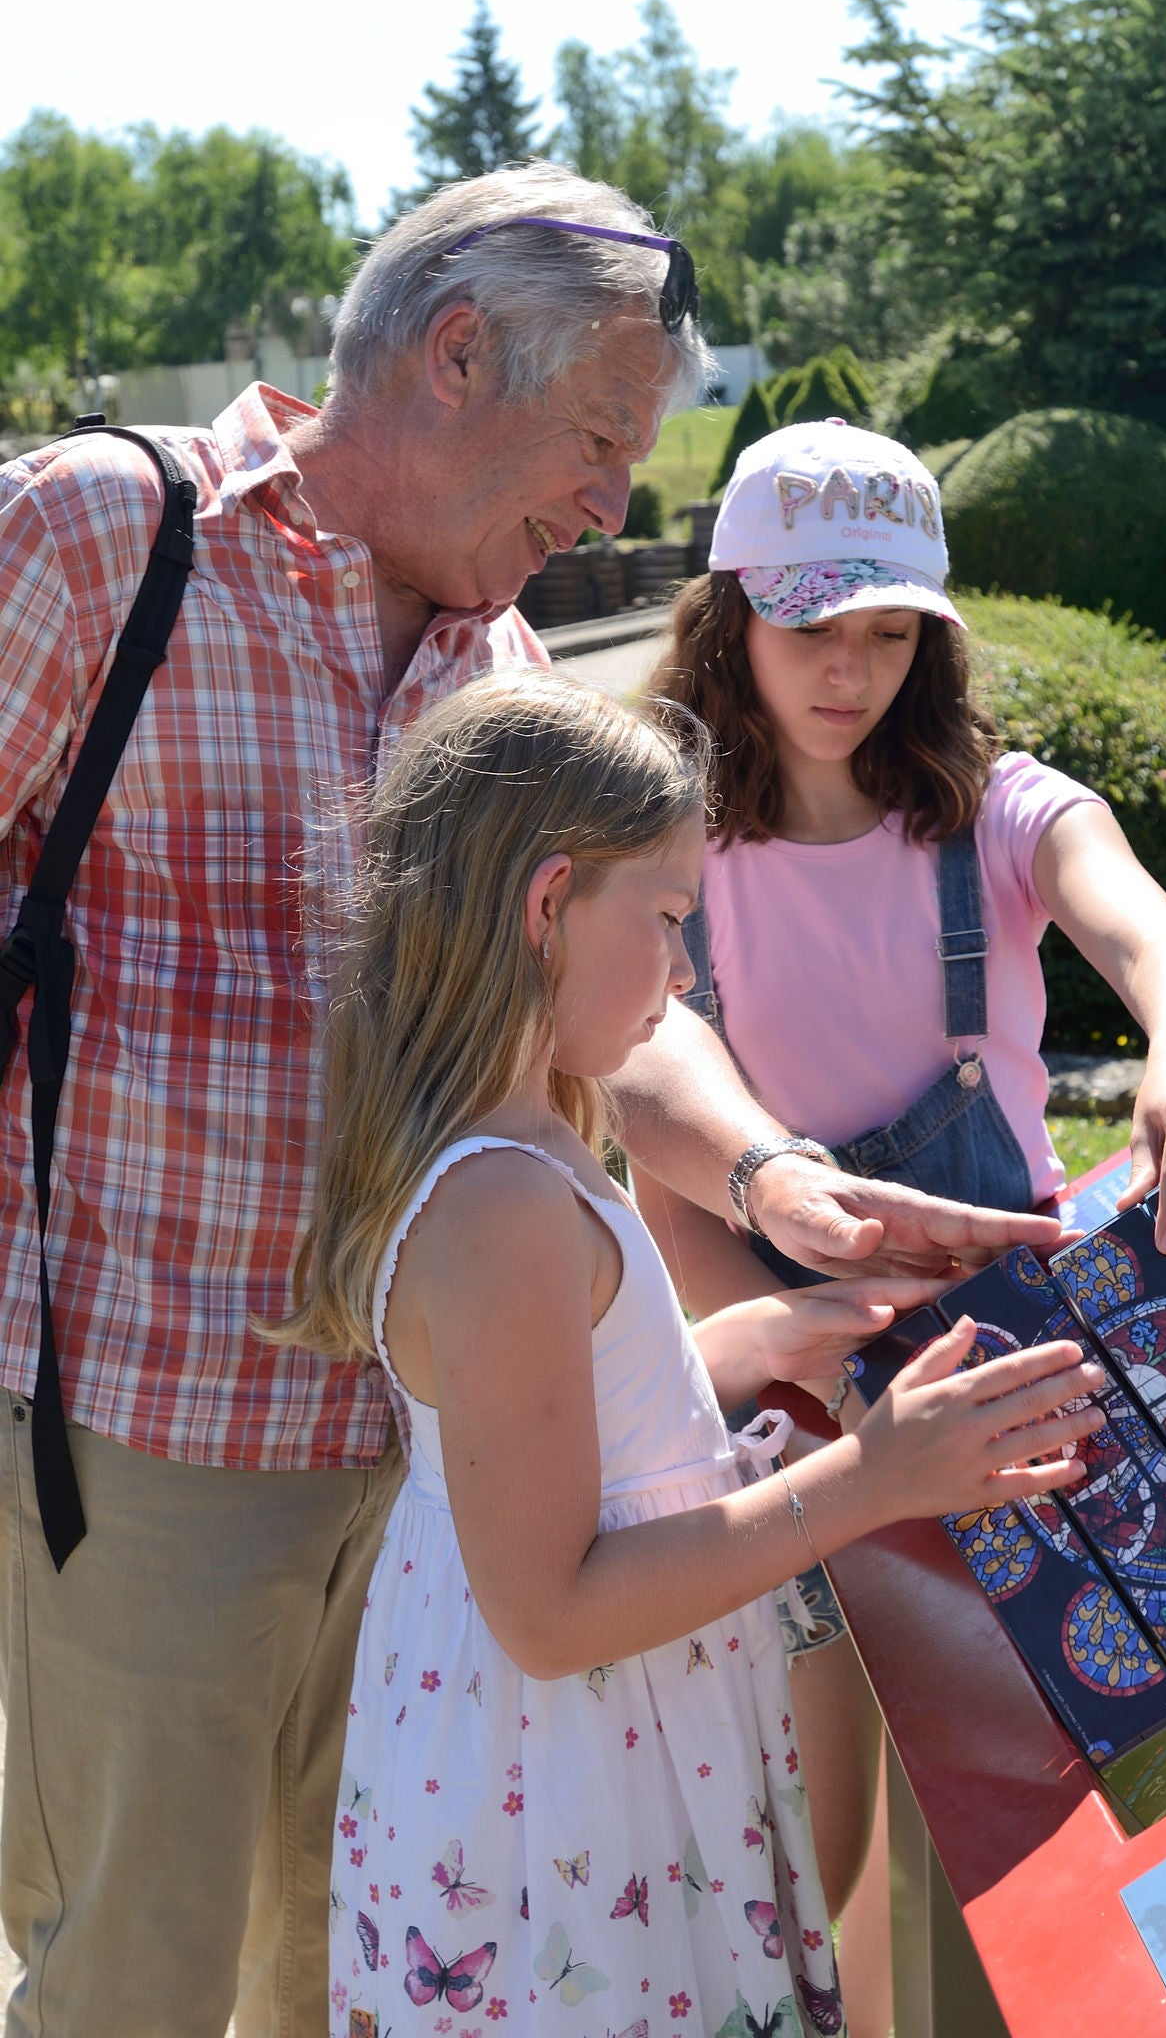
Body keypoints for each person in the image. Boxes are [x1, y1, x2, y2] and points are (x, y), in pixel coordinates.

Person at [0, 176, 1067, 2037]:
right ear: (455, 351)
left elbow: (599, 1021)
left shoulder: (492, 668)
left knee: (360, 1976)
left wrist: (775, 1177)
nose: (605, 506)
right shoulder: (103, 535)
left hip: (442, 1465)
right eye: (597, 441)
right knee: (138, 1980)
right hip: (157, 1432)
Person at [277, 668, 1107, 2038]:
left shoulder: (528, 1141)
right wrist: (871, 1480)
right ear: (548, 908)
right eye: (666, 921)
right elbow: (551, 1611)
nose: (681, 972)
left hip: (568, 1765)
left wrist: (744, 1342)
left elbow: (565, 1430)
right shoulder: (504, 1207)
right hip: (574, 1800)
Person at [635, 418, 1166, 2035]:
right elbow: (642, 1112)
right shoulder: (660, 836)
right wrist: (820, 1374)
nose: (850, 669)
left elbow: (1155, 934)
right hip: (768, 1390)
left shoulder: (998, 808)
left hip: (1028, 1377)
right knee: (815, 1835)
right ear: (730, 610)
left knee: (1059, 1798)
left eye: (891, 632)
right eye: (813, 625)